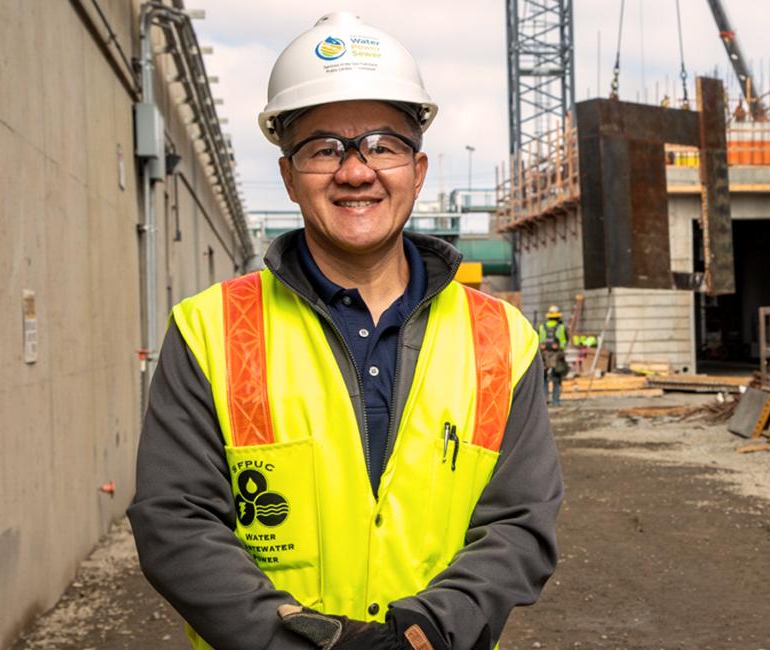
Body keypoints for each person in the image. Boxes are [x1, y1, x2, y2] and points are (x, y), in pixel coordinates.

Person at [127, 13, 563, 650]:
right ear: (287, 175)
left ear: (417, 170)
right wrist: (314, 643)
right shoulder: (209, 330)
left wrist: (426, 632)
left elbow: (520, 523)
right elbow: (176, 521)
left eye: (382, 145)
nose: (356, 172)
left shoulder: (500, 337)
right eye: (324, 147)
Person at [537, 306, 569, 406]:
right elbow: (565, 341)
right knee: (556, 379)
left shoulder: (541, 327)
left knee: (544, 379)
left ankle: (544, 400)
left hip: (544, 356)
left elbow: (537, 340)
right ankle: (556, 401)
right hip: (557, 356)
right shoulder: (561, 327)